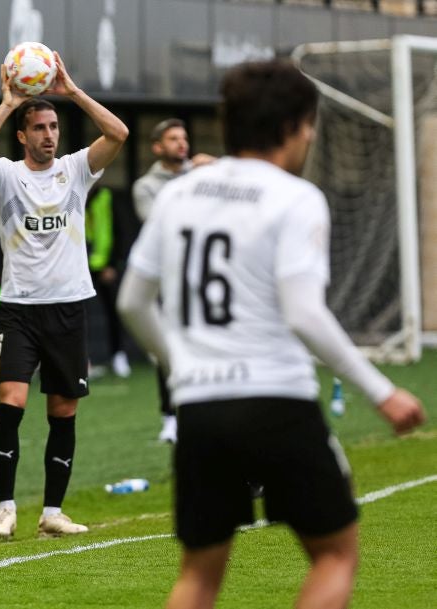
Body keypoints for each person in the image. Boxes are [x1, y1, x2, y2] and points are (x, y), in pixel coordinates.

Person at [116, 59, 426, 609]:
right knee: (335, 554)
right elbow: (305, 314)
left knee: (198, 577)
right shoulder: (295, 197)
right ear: (291, 127)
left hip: (201, 408)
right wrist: (383, 392)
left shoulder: (178, 196)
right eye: (309, 126)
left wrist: (183, 367)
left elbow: (133, 302)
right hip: (276, 400)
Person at [0, 52, 128, 539]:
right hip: (20, 311)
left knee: (63, 412)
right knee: (10, 401)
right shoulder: (8, 176)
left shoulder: (77, 170)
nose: (49, 135)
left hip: (69, 307)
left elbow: (118, 134)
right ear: (22, 135)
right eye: (38, 128)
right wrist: (6, 103)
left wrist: (71, 91)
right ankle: (6, 508)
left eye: (54, 126)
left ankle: (52, 512)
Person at [132, 118, 215, 443]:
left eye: (184, 137)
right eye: (172, 138)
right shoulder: (147, 186)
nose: (182, 143)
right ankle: (170, 415)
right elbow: (158, 225)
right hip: (169, 279)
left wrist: (219, 167)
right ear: (158, 147)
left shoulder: (203, 174)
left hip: (206, 274)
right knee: (168, 347)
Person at [85, 184, 130, 377]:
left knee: (113, 310)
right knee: (77, 312)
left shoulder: (106, 196)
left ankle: (118, 355)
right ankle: (83, 360)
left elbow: (118, 229)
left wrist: (112, 263)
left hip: (104, 265)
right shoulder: (73, 192)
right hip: (80, 265)